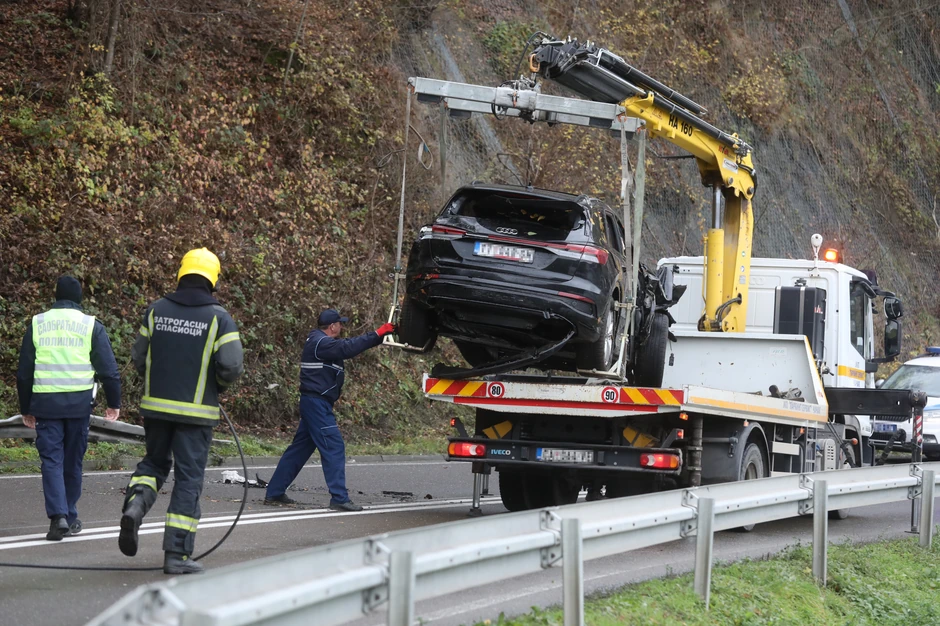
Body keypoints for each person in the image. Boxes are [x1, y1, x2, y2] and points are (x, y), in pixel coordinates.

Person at [118, 248, 244, 575]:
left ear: (181, 273)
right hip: (196, 414)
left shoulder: (156, 310)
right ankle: (176, 554)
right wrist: (215, 384)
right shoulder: (220, 318)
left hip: (156, 409)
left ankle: (135, 506)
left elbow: (139, 355)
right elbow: (230, 366)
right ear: (212, 279)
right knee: (188, 479)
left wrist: (158, 381)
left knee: (154, 463)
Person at [16, 276, 122, 541]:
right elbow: (109, 371)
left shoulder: (38, 323)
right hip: (78, 406)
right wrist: (114, 403)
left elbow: (24, 373)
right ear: (79, 298)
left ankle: (58, 518)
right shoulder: (90, 325)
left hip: (46, 405)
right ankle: (70, 516)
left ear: (55, 296)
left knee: (51, 460)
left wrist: (26, 407)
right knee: (73, 461)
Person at [264, 309, 395, 511]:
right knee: (333, 446)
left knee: (299, 450)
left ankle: (274, 492)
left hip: (314, 402)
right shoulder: (320, 342)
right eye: (340, 324)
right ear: (332, 326)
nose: (341, 327)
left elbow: (346, 346)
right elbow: (347, 347)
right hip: (316, 404)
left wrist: (378, 338)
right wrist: (378, 334)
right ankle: (339, 499)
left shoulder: (319, 341)